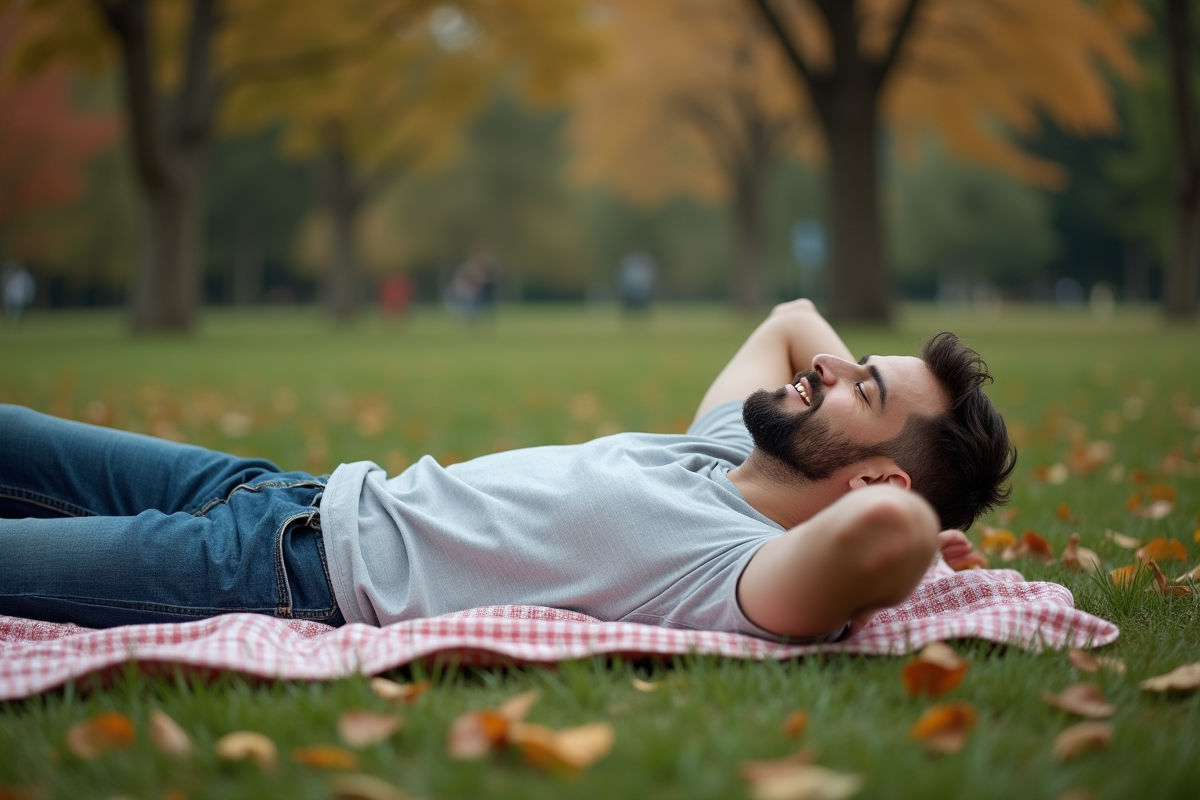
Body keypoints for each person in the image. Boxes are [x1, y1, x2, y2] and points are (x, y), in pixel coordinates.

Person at [0, 299, 1015, 640]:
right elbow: (791, 317)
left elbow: (887, 537)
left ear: (877, 483)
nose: (827, 364)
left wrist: (919, 550)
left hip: (278, 575)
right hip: (285, 489)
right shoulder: (724, 449)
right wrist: (871, 406)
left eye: (859, 390)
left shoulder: (737, 571)